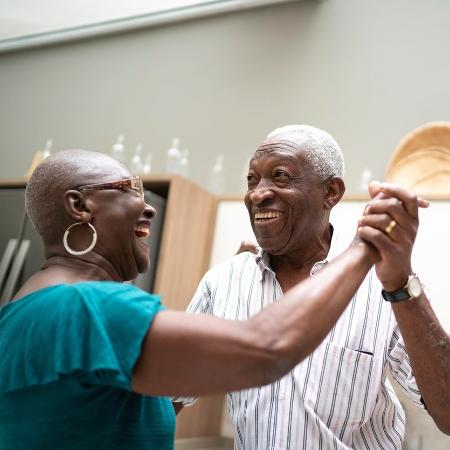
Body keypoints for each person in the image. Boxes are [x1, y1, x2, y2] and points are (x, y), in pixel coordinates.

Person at [1, 149, 393, 450]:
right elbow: (268, 349)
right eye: (130, 189)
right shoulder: (90, 308)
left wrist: (241, 283)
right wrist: (364, 248)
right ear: (80, 206)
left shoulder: (19, 313)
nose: (149, 206)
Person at [174, 125, 450, 449]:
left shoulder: (384, 285)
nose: (258, 193)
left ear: (331, 192)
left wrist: (401, 284)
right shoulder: (222, 283)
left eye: (280, 177)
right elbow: (170, 397)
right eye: (252, 179)